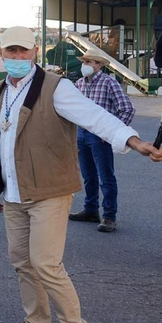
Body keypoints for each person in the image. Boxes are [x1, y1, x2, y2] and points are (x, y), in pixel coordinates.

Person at [0, 27, 162, 323]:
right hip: (14, 193)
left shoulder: (56, 87)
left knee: (46, 263)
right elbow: (1, 143)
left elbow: (94, 117)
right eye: (11, 51)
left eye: (23, 51)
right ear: (2, 54)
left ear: (35, 52)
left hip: (49, 191)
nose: (17, 57)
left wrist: (132, 140)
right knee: (22, 261)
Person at [67, 50, 135, 233]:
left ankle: (109, 216)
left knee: (106, 177)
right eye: (84, 61)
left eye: (89, 62)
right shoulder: (79, 84)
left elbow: (127, 109)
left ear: (99, 65)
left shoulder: (109, 82)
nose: (85, 65)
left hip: (100, 136)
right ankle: (90, 210)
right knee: (88, 176)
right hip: (82, 135)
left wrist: (113, 133)